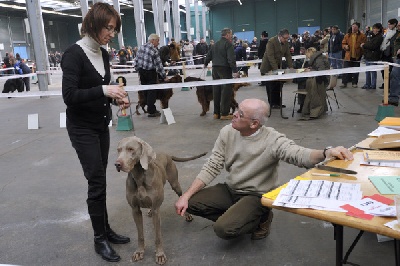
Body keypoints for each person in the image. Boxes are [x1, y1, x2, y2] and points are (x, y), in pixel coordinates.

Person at [175, 98, 353, 241]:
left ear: (254, 124)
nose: (234, 114)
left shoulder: (272, 140)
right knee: (189, 204)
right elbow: (212, 165)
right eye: (237, 109)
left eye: (240, 114)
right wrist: (186, 195)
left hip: (256, 195)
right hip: (231, 189)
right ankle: (240, 214)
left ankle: (262, 217)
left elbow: (299, 154)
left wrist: (326, 152)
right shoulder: (227, 132)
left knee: (223, 229)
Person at [61, 3, 130, 262]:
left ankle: (105, 229)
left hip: (101, 125)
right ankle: (99, 240)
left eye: (114, 29)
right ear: (93, 24)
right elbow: (69, 96)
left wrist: (116, 99)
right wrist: (105, 91)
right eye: (108, 28)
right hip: (81, 128)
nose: (112, 33)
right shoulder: (73, 54)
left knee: (100, 180)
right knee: (97, 182)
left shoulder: (103, 54)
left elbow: (101, 91)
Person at [204, 28, 239, 120]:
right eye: (231, 34)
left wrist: (205, 63)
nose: (231, 36)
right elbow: (231, 59)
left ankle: (216, 113)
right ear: (227, 34)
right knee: (226, 91)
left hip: (215, 69)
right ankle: (224, 113)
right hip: (224, 69)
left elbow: (208, 56)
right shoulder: (228, 44)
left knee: (216, 91)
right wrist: (235, 71)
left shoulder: (214, 44)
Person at [134, 33, 167, 117]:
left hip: (142, 72)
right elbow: (158, 65)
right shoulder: (154, 50)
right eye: (157, 41)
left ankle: (148, 107)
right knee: (152, 91)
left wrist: (138, 69)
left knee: (145, 90)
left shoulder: (141, 47)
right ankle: (151, 110)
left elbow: (136, 60)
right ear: (152, 40)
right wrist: (164, 76)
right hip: (150, 72)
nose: (158, 43)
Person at [260, 28, 293, 109]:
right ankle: (272, 103)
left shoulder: (285, 43)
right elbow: (270, 57)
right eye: (285, 38)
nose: (286, 40)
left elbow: (288, 55)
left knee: (278, 84)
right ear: (280, 36)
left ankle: (278, 103)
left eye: (287, 38)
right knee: (270, 86)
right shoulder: (271, 42)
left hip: (277, 66)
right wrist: (276, 69)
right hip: (267, 67)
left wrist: (291, 67)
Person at [300, 47, 330, 120]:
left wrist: (310, 71)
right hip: (321, 79)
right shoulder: (319, 58)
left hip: (321, 80)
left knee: (314, 94)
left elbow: (321, 71)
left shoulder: (319, 59)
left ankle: (314, 112)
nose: (307, 57)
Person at [340, 22, 366, 88]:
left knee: (356, 71)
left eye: (355, 27)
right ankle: (344, 83)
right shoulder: (347, 35)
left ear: (358, 28)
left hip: (357, 56)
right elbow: (343, 43)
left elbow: (365, 44)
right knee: (345, 70)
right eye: (353, 26)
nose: (354, 28)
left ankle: (354, 83)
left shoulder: (362, 36)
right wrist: (345, 46)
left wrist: (362, 51)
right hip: (348, 56)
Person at [360, 23, 384, 90]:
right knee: (367, 71)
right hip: (368, 56)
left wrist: (364, 45)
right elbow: (369, 43)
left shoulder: (379, 37)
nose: (373, 30)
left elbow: (373, 46)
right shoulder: (371, 36)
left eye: (375, 28)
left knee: (373, 71)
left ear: (378, 29)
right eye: (373, 28)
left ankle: (373, 85)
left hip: (374, 56)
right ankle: (367, 84)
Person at [379, 19, 398, 89]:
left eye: (390, 24)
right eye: (388, 24)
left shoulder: (396, 33)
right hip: (384, 53)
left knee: (392, 72)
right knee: (383, 70)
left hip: (391, 54)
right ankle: (386, 84)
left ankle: (391, 86)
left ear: (394, 24)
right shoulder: (387, 32)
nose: (389, 25)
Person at [388, 22, 400, 106]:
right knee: (394, 75)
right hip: (398, 58)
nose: (398, 26)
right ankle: (393, 98)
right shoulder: (397, 34)